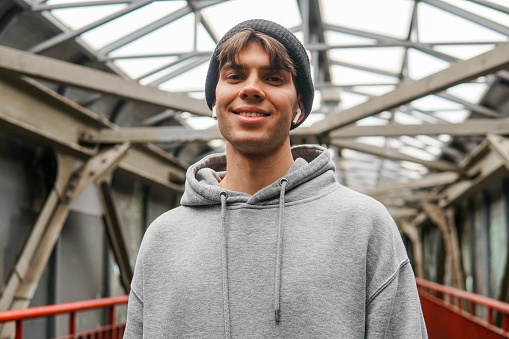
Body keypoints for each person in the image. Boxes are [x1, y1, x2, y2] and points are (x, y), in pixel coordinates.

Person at [123, 19, 427, 338]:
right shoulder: (163, 237)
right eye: (235, 76)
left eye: (273, 78)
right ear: (214, 100)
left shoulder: (364, 225)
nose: (251, 88)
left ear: (299, 107)